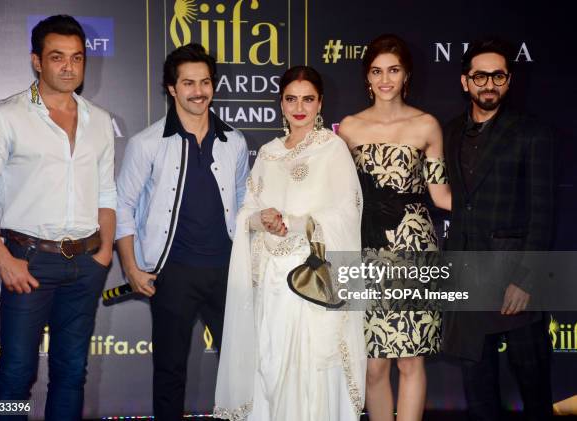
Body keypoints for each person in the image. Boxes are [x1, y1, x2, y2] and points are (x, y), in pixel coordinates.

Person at [0, 15, 116, 421]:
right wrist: (3, 259)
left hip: (86, 263)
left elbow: (106, 192)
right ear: (36, 61)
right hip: (27, 261)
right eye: (57, 57)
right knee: (16, 374)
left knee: (71, 373)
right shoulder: (5, 116)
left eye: (77, 58)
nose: (69, 67)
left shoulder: (99, 121)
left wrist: (102, 254)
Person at [214, 66, 366, 421]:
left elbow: (347, 214)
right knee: (271, 366)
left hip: (311, 281)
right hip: (271, 284)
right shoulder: (267, 154)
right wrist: (260, 218)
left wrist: (298, 223)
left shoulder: (332, 149)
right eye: (291, 99)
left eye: (308, 99)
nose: (299, 107)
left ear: (320, 103)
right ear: (280, 103)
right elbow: (246, 213)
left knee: (311, 370)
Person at [115, 43, 249, 420]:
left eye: (205, 82)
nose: (198, 91)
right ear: (171, 88)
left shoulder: (234, 142)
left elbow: (243, 199)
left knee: (239, 370)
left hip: (227, 271)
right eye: (188, 83)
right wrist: (131, 267)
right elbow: (122, 205)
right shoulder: (146, 144)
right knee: (170, 371)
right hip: (172, 272)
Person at [338, 34, 451, 421]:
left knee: (410, 362)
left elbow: (440, 196)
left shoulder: (427, 125)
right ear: (367, 78)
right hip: (369, 250)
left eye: (393, 70)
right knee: (374, 365)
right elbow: (340, 196)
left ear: (406, 75)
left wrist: (492, 208)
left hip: (416, 250)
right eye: (376, 71)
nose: (385, 79)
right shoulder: (349, 129)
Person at [442, 39, 555, 421]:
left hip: (514, 282)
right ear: (465, 81)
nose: (488, 83)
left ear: (508, 81)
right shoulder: (451, 131)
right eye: (480, 76)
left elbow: (543, 213)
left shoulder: (532, 133)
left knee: (534, 391)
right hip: (468, 279)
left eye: (498, 75)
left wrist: (525, 280)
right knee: (479, 397)